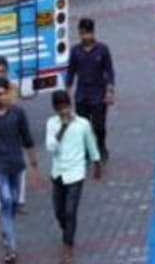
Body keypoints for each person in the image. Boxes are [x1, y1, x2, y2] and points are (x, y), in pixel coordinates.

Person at [0, 78, 37, 264]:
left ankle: (7, 231)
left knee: (13, 201)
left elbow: (27, 136)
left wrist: (33, 161)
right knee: (6, 201)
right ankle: (11, 248)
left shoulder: (18, 113)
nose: (2, 97)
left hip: (16, 163)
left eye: (4, 93)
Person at [46, 89, 103, 261]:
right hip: (58, 173)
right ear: (55, 109)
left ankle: (68, 245)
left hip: (76, 174)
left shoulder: (82, 124)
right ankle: (67, 230)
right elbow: (51, 147)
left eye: (66, 106)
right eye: (60, 107)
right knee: (59, 212)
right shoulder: (52, 124)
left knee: (71, 211)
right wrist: (63, 127)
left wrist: (96, 163)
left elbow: (91, 144)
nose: (64, 111)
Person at [65, 18, 115, 163]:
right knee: (83, 125)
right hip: (82, 94)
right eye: (82, 34)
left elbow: (109, 71)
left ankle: (101, 146)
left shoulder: (102, 50)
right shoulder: (75, 51)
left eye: (87, 33)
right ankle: (86, 150)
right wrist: (67, 90)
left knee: (99, 125)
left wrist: (109, 90)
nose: (84, 37)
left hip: (98, 94)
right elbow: (71, 72)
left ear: (92, 33)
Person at [0, 57, 27, 215]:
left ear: (7, 71)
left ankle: (20, 201)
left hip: (12, 132)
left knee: (20, 168)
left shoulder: (12, 88)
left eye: (2, 71)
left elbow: (15, 107)